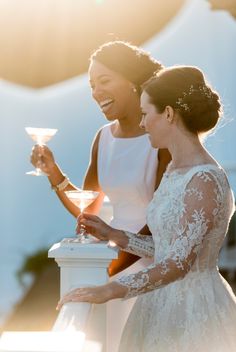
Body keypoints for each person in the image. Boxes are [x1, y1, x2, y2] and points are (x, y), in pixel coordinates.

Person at [58, 65, 236, 351]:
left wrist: (108, 291)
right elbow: (167, 248)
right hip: (157, 303)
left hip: (193, 312)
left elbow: (178, 264)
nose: (141, 124)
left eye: (145, 114)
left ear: (167, 114)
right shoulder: (176, 170)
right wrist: (114, 234)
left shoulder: (204, 178)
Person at [31, 41, 171, 350]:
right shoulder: (103, 137)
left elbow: (162, 218)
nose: (96, 91)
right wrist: (53, 171)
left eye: (104, 81)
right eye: (92, 85)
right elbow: (88, 207)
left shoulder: (162, 137)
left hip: (148, 261)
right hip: (112, 257)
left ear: (133, 80)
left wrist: (111, 266)